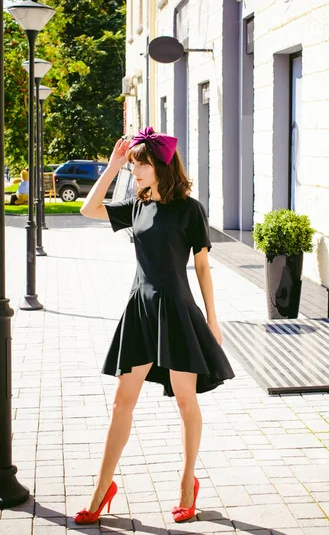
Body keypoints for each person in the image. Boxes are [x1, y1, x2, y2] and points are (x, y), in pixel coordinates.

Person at [76, 127, 235, 524]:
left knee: (185, 400)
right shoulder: (137, 204)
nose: (136, 173)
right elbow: (88, 210)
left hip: (177, 312)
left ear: (161, 164)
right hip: (141, 310)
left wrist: (213, 320)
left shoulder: (189, 209)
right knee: (121, 402)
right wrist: (113, 166)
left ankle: (187, 484)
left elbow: (201, 266)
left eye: (140, 164)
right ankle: (102, 489)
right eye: (133, 166)